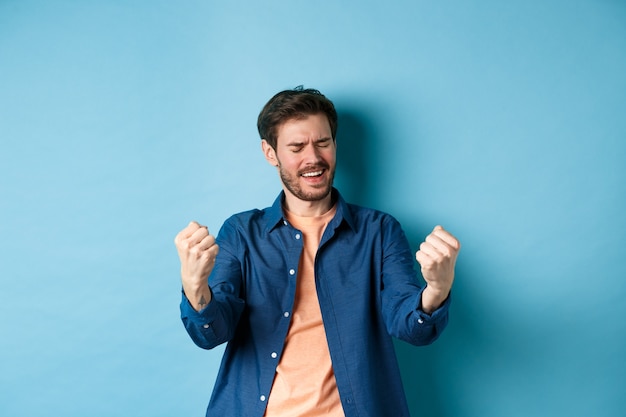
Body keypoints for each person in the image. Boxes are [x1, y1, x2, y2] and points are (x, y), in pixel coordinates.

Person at [174, 87, 460, 417]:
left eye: (322, 143)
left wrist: (436, 290)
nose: (313, 158)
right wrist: (196, 288)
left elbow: (411, 327)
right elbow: (212, 333)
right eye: (296, 147)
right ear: (270, 153)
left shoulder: (379, 231)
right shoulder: (242, 233)